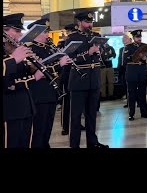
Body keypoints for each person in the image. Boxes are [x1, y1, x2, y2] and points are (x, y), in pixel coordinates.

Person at [64, 11, 109, 148]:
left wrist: (101, 50)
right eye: (87, 22)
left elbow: (102, 56)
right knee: (76, 116)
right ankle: (74, 144)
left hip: (94, 79)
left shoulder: (96, 36)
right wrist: (87, 53)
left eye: (91, 22)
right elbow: (69, 60)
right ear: (79, 23)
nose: (90, 25)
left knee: (91, 115)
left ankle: (92, 142)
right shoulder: (72, 38)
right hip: (78, 80)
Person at [27, 17, 72, 148]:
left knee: (48, 126)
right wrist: (59, 63)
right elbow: (41, 70)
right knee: (39, 128)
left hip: (51, 92)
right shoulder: (30, 49)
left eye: (47, 32)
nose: (47, 35)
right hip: (39, 93)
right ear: (35, 33)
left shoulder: (49, 48)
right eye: (44, 32)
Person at [3, 13, 37, 148]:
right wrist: (14, 59)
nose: (19, 35)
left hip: (25, 106)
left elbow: (22, 73)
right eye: (16, 31)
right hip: (8, 109)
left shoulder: (15, 49)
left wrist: (34, 67)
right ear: (4, 30)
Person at [58, 23, 82, 135]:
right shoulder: (63, 43)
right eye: (72, 33)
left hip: (74, 74)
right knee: (67, 102)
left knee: (75, 102)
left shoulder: (77, 42)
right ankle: (65, 126)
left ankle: (76, 124)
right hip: (66, 74)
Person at [123, 29, 147, 121]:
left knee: (142, 94)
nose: (139, 38)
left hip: (142, 71)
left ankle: (144, 113)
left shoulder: (145, 46)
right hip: (132, 72)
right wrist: (139, 57)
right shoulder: (128, 47)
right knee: (132, 94)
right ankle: (131, 114)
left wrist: (144, 58)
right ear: (133, 37)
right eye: (137, 37)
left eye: (140, 37)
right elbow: (125, 60)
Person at [118, 34, 132, 108]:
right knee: (126, 86)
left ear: (130, 39)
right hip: (123, 70)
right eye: (123, 38)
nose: (123, 39)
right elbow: (120, 60)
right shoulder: (121, 49)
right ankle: (128, 101)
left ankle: (138, 102)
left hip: (130, 69)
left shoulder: (132, 48)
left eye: (125, 38)